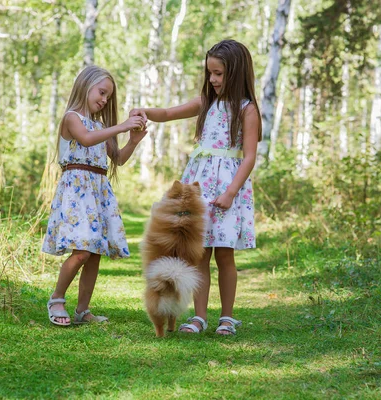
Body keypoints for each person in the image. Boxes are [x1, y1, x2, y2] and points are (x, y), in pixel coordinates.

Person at [130, 39, 261, 335]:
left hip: (228, 187)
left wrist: (230, 193)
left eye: (218, 74)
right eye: (210, 73)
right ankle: (199, 317)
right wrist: (144, 110)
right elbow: (167, 113)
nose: (213, 80)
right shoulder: (207, 103)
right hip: (200, 185)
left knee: (224, 253)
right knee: (198, 253)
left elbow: (249, 157)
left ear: (236, 72)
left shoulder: (246, 109)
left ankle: (227, 317)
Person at [43, 65, 147, 326]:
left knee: (95, 252)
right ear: (85, 86)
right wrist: (122, 126)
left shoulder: (102, 126)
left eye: (108, 97)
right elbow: (87, 139)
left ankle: (82, 310)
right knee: (81, 251)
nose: (104, 100)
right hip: (77, 190)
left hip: (98, 190)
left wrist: (133, 140)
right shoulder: (72, 118)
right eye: (102, 92)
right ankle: (56, 299)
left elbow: (119, 159)